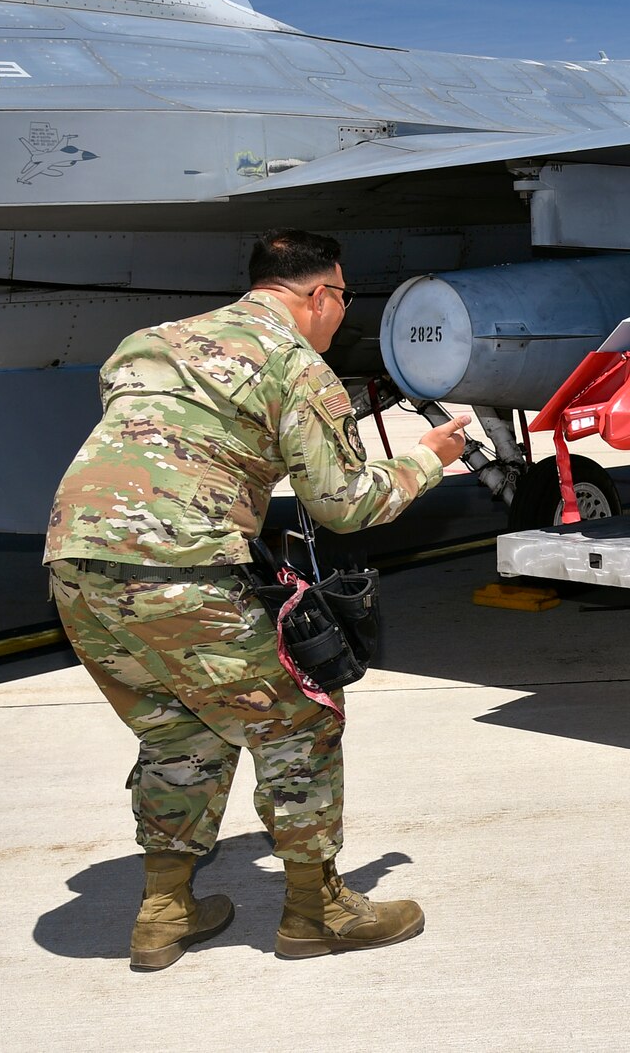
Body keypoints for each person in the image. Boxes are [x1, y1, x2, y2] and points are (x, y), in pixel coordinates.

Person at [44, 229, 473, 970]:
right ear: (319, 295)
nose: (342, 316)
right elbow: (345, 504)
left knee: (185, 729)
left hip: (74, 560)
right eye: (343, 299)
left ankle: (163, 911)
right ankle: (319, 911)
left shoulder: (151, 340)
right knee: (301, 718)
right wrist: (426, 461)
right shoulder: (294, 362)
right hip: (180, 563)